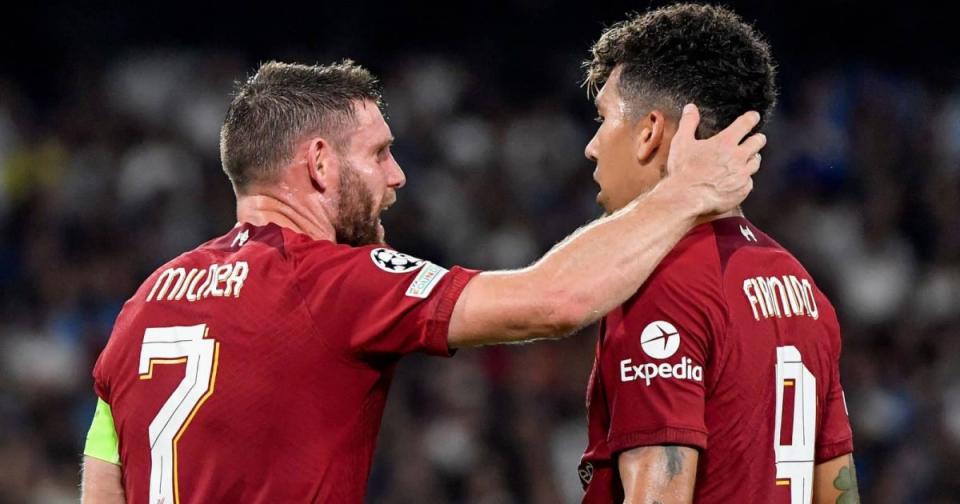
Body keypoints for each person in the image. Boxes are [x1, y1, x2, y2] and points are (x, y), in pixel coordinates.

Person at [80, 59, 765, 503]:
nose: (396, 176)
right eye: (378, 154)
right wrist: (685, 193)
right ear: (319, 164)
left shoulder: (145, 303)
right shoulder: (329, 280)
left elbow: (102, 488)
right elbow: (554, 302)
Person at [577, 4, 857, 504]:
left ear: (650, 132)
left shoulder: (659, 281)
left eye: (602, 120)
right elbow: (839, 492)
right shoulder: (804, 289)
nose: (593, 147)